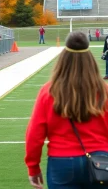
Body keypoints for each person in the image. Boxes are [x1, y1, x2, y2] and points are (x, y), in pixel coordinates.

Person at [25, 31, 108, 189]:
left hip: (62, 161)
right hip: (101, 160)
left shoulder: (49, 91)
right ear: (90, 60)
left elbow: (34, 134)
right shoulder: (104, 90)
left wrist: (33, 167)